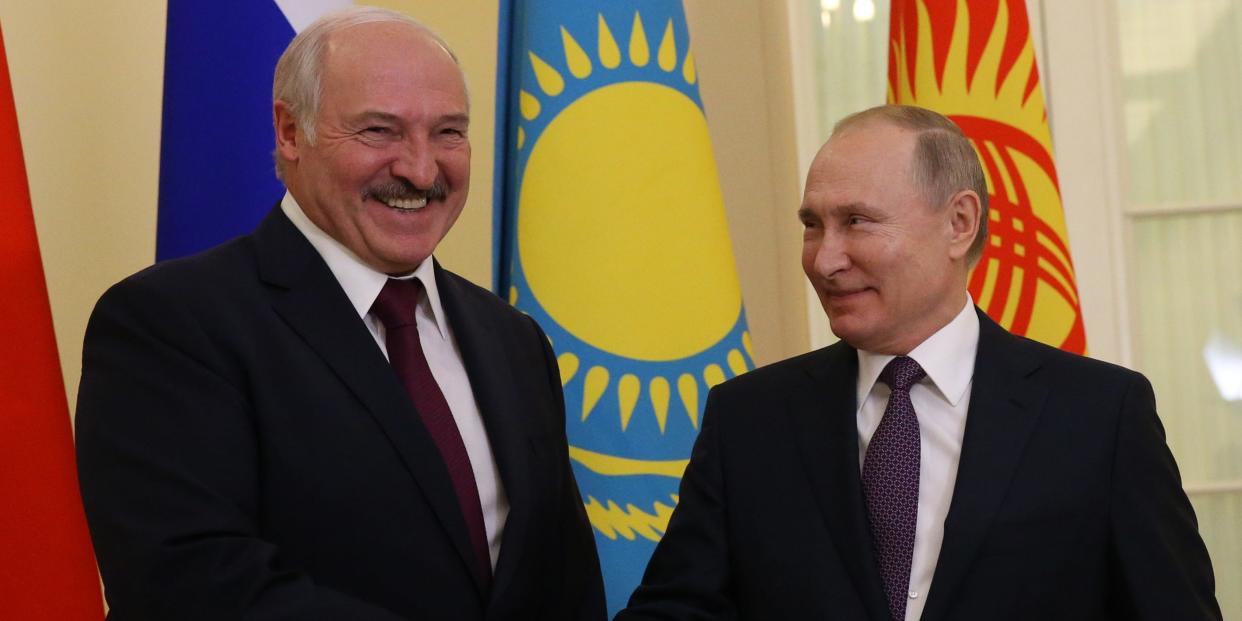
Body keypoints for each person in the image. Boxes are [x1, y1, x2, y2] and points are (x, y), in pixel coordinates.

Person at [75, 8, 604, 620]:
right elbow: (188, 585)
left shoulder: (513, 340)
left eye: (448, 132)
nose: (421, 168)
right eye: (380, 131)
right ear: (290, 132)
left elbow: (563, 581)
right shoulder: (171, 325)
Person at [616, 104, 1220, 620]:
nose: (825, 260)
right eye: (812, 225)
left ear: (959, 223)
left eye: (856, 222)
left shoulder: (1099, 417)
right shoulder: (749, 421)